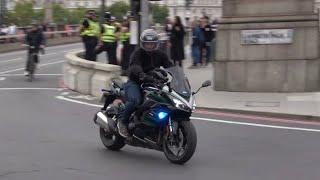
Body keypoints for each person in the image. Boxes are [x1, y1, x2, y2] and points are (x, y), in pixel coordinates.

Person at [117, 29, 173, 137]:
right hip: (135, 82)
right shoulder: (137, 53)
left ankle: (151, 125)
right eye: (147, 44)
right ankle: (122, 122)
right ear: (143, 43)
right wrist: (141, 74)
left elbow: (170, 65)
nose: (150, 46)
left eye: (152, 44)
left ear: (156, 44)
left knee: (164, 101)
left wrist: (179, 75)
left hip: (153, 83)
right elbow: (134, 66)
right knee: (135, 101)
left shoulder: (160, 54)